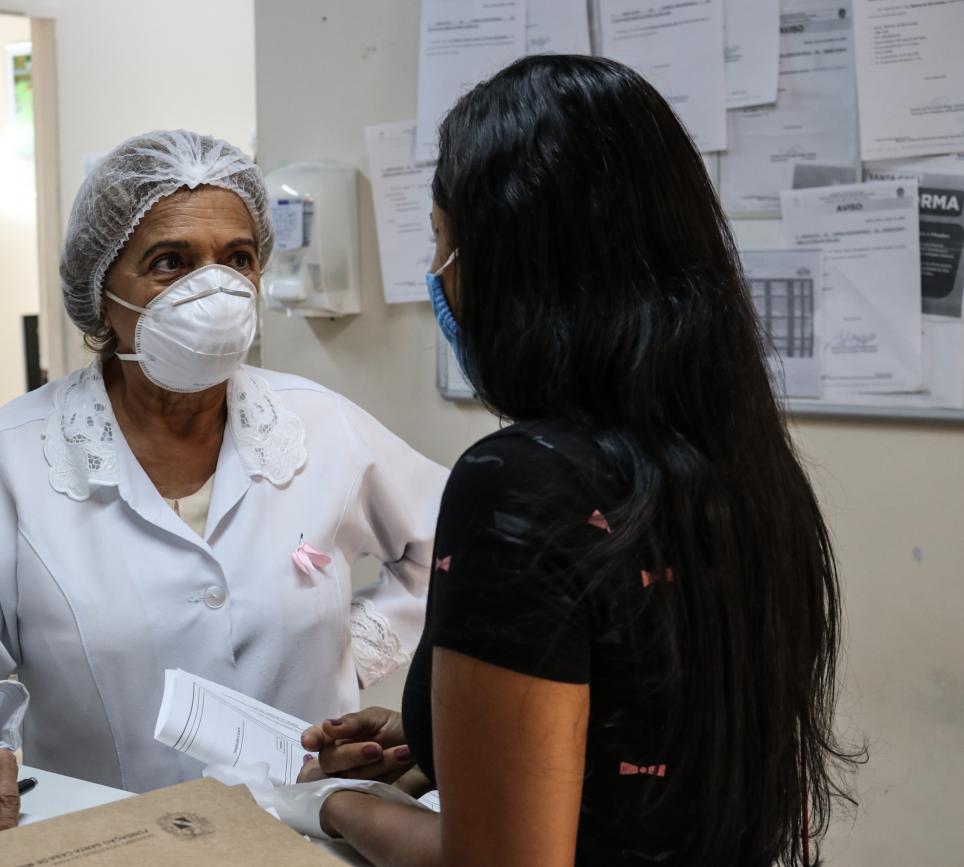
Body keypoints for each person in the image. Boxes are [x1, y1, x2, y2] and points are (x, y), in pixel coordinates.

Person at [279, 56, 861, 866]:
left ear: (511, 269)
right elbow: (637, 720)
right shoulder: (741, 466)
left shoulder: (518, 483)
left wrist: (330, 805)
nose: (440, 279)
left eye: (443, 245)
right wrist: (441, 740)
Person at [0, 130, 447, 849]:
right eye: (172, 262)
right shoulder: (8, 458)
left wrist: (350, 647)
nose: (215, 289)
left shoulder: (318, 425)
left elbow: (456, 546)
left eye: (238, 259)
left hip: (303, 840)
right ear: (101, 293)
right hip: (107, 844)